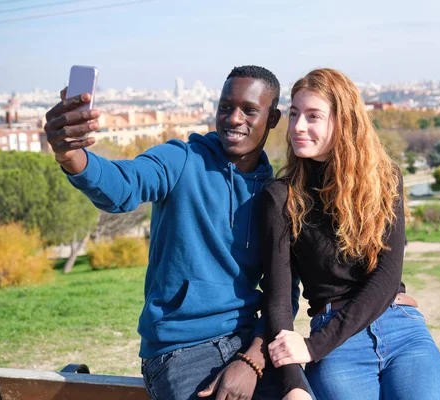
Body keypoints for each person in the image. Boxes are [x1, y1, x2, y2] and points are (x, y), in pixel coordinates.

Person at [43, 65, 302, 400]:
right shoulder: (180, 159)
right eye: (225, 107)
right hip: (180, 349)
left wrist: (252, 359)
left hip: (249, 342)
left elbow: (283, 294)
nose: (234, 119)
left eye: (249, 110)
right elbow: (121, 185)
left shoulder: (274, 194)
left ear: (273, 118)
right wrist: (70, 155)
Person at [262, 68, 440, 399]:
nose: (298, 127)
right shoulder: (281, 198)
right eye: (294, 114)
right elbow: (279, 297)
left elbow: (387, 277)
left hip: (401, 327)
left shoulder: (385, 179)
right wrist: (294, 382)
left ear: (344, 121)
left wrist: (313, 346)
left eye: (313, 116)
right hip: (335, 347)